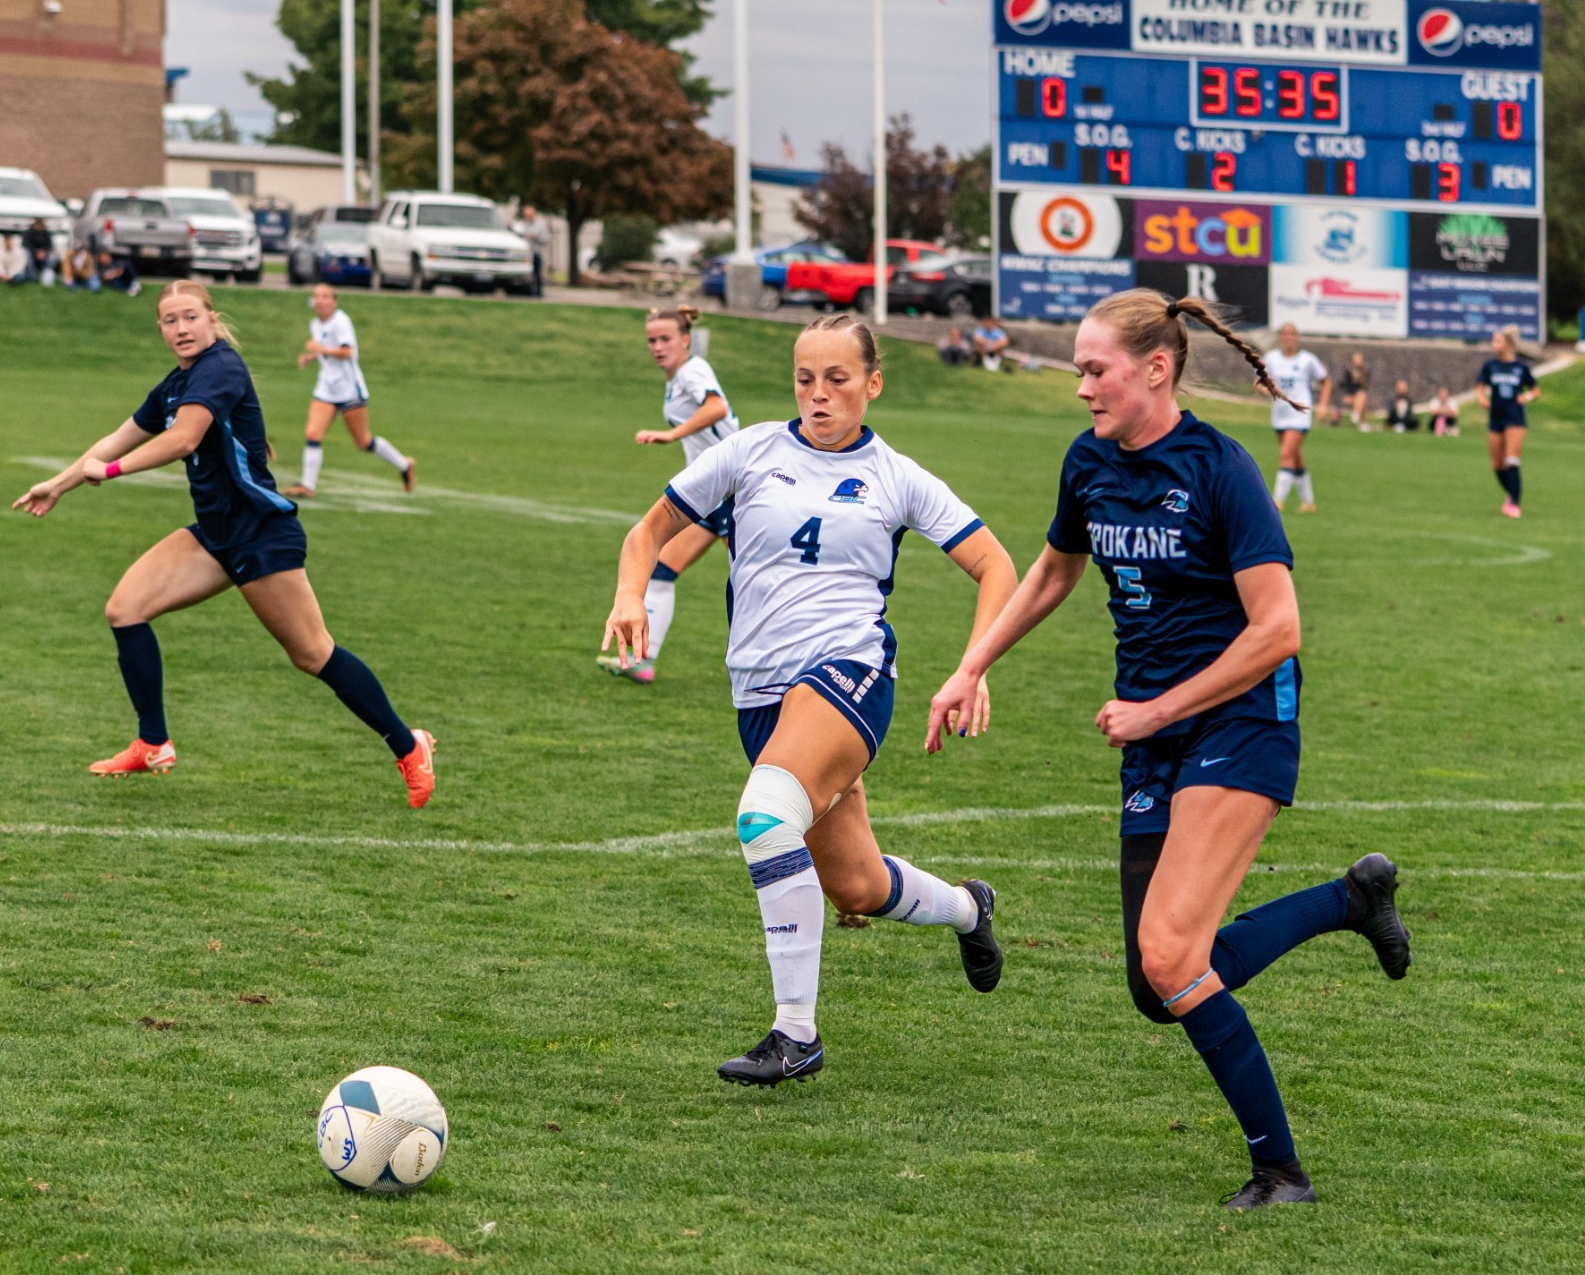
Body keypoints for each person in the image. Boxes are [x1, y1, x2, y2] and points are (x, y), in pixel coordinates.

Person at [924, 290, 1411, 1209]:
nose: (1081, 387)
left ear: (1157, 368)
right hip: (1155, 736)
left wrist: (1156, 712)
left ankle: (1282, 1171)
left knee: (1170, 956)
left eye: (1094, 368)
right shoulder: (1090, 462)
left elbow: (1278, 629)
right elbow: (1056, 571)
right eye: (1078, 369)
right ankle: (1350, 898)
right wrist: (971, 665)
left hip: (1242, 720)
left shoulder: (1222, 468)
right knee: (1161, 981)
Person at [603, 313, 1020, 1087]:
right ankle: (969, 908)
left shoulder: (897, 475)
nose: (819, 394)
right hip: (760, 693)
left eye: (837, 379)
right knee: (856, 884)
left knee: (764, 817)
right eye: (805, 378)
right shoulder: (752, 449)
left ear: (873, 383)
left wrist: (975, 665)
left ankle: (795, 1033)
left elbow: (997, 565)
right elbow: (649, 531)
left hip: (849, 672)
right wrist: (632, 592)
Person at [11, 280, 438, 801]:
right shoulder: (174, 384)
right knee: (125, 609)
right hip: (214, 535)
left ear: (211, 319)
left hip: (259, 534)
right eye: (170, 320)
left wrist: (114, 471)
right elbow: (115, 438)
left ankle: (408, 743)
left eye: (190, 316)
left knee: (312, 654)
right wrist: (59, 484)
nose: (182, 328)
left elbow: (182, 438)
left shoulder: (222, 368)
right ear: (161, 331)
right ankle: (153, 743)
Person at [596, 304, 739, 685]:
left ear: (686, 340)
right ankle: (643, 661)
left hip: (735, 491)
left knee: (757, 578)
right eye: (651, 341)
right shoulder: (677, 380)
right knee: (660, 569)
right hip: (710, 492)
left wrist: (672, 435)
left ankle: (778, 658)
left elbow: (717, 407)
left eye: (665, 339)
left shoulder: (694, 371)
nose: (657, 347)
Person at [285, 283, 417, 498]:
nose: (320, 300)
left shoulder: (341, 321)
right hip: (327, 386)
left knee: (363, 441)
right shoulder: (315, 324)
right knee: (313, 434)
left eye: (325, 296)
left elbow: (347, 352)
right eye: (316, 296)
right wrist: (311, 357)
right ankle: (308, 487)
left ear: (334, 301)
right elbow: (327, 350)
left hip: (349, 389)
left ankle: (404, 465)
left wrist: (320, 349)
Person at [1260, 323, 1329, 513]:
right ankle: (1308, 503)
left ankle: (1277, 502)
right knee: (1295, 457)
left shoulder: (1308, 360)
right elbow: (1259, 382)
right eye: (1285, 334)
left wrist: (1323, 405)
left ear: (1297, 337)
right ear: (1281, 337)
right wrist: (1264, 389)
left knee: (1286, 454)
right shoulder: (1271, 358)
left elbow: (1326, 381)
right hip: (1280, 415)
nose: (1289, 337)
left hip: (1300, 415)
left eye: (1292, 334)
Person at [1475, 327, 1539, 518]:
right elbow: (1480, 386)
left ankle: (1514, 503)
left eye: (1498, 341)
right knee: (1497, 465)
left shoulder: (1521, 367)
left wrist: (1526, 397)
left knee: (1511, 458)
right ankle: (1511, 492)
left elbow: (1535, 390)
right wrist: (1481, 398)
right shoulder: (1490, 366)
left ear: (1508, 344)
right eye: (1493, 341)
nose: (1494, 345)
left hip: (1515, 418)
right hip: (1496, 417)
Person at [513, 205, 551, 297]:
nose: (528, 216)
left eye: (530, 214)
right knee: (526, 274)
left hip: (536, 253)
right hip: (524, 254)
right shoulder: (521, 225)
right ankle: (524, 291)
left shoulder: (540, 226)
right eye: (526, 214)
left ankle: (538, 293)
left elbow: (546, 239)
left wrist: (536, 237)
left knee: (537, 274)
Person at [1341, 351, 1371, 431]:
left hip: (1359, 397)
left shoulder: (1365, 372)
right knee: (1362, 396)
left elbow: (1364, 386)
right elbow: (1346, 387)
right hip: (1350, 396)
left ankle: (1356, 415)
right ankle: (1363, 422)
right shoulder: (1348, 372)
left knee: (1362, 396)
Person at [24, 218, 57, 286]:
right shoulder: (28, 232)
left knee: (52, 257)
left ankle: (45, 276)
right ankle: (32, 277)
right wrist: (36, 252)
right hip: (32, 254)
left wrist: (44, 252)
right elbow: (26, 244)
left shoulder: (46, 233)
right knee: (27, 254)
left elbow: (49, 245)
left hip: (43, 254)